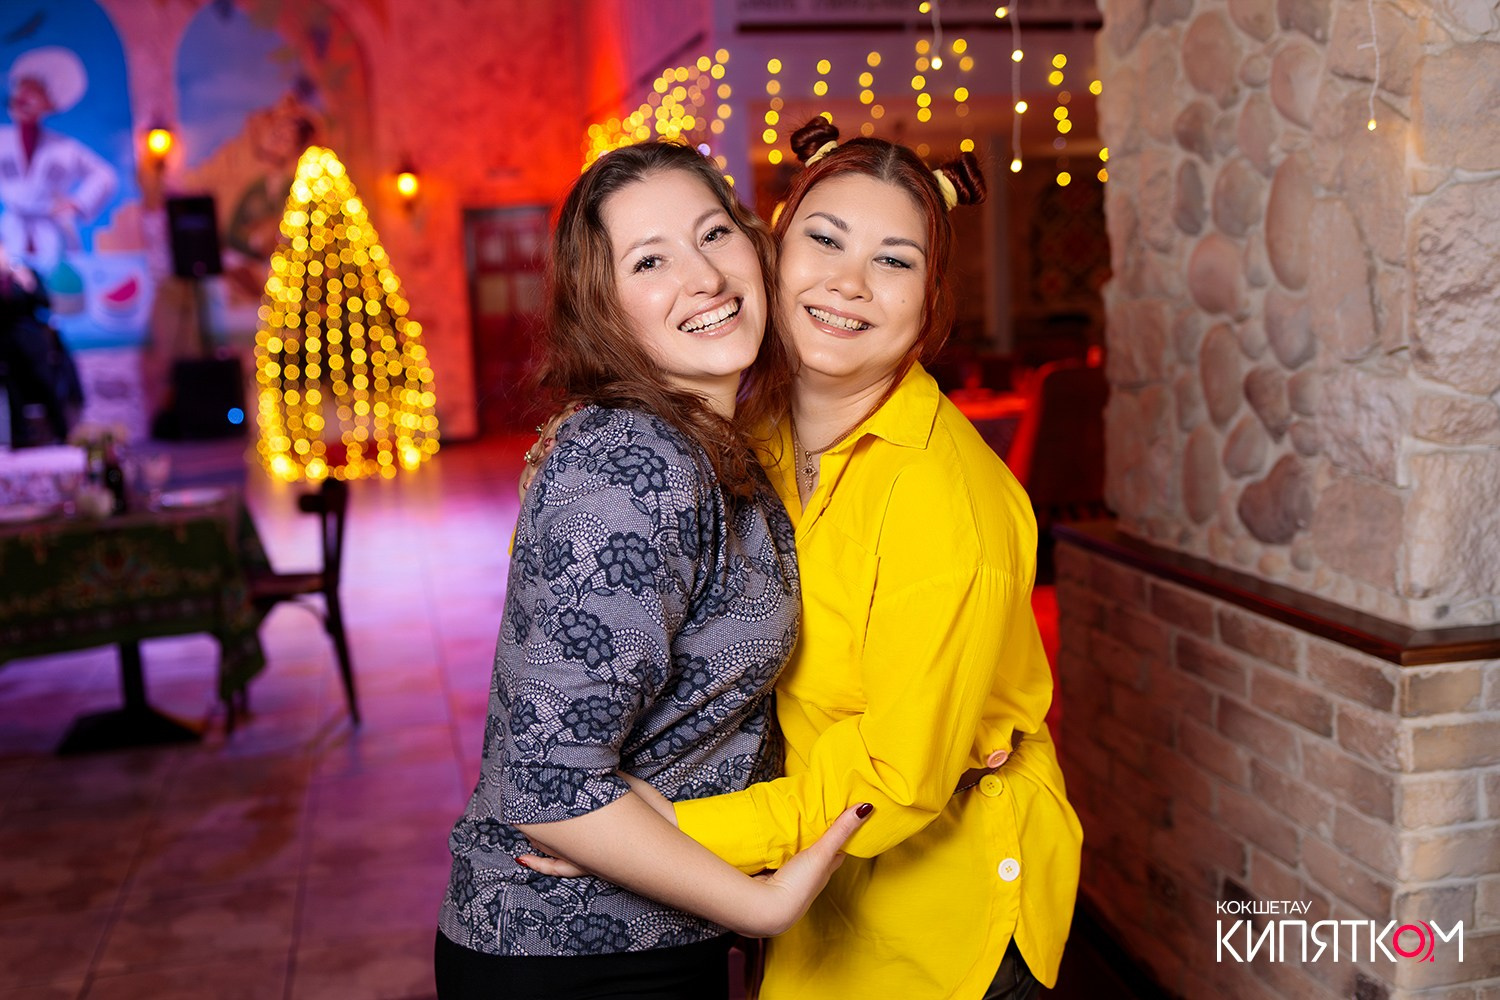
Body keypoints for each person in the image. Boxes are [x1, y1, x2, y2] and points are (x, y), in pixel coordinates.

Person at [523, 119, 1083, 1000]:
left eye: (895, 260)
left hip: (938, 923)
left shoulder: (949, 502)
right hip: (812, 901)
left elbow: (894, 777)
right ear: (771, 255)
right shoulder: (757, 437)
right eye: (825, 239)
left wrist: (655, 834)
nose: (850, 282)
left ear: (932, 296)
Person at [434, 140, 870, 1000]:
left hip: (655, 935)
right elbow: (546, 785)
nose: (703, 278)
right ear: (603, 310)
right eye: (650, 261)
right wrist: (764, 905)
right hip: (573, 958)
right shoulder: (635, 463)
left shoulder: (709, 441)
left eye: (713, 234)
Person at [0, 47, 118, 277]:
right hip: (10, 234)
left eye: (34, 91)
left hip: (51, 235)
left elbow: (104, 175)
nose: (23, 97)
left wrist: (78, 203)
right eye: (21, 88)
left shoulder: (65, 148)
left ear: (50, 103)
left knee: (55, 286)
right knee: (13, 283)